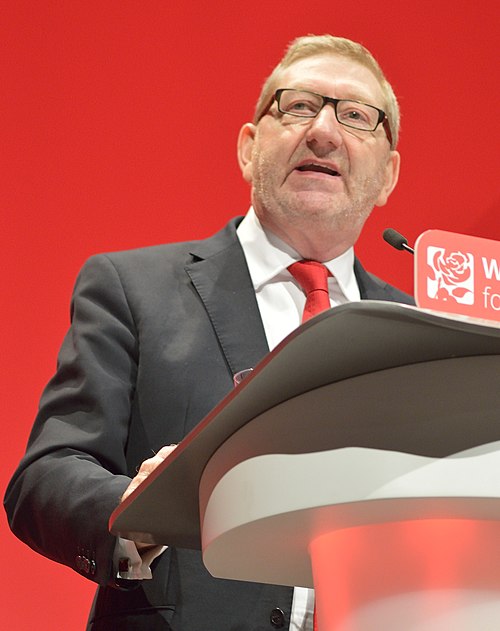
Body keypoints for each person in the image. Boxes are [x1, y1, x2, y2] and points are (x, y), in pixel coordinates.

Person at [4, 34, 414, 630]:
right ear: (249, 148)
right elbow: (45, 476)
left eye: (356, 116)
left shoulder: (416, 334)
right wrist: (131, 509)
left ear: (388, 176)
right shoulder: (131, 287)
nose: (324, 131)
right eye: (299, 105)